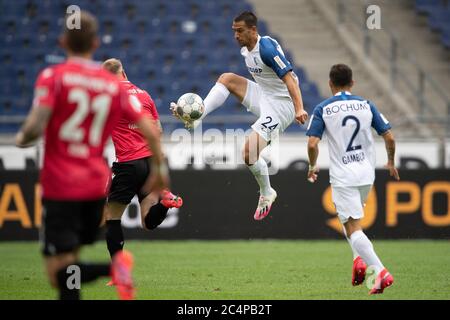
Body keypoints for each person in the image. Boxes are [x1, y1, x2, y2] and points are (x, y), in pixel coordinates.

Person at [15, 11, 169, 300]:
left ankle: (115, 268)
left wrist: (22, 137)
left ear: (62, 41)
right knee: (73, 257)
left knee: (59, 268)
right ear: (95, 43)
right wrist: (161, 169)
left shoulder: (53, 76)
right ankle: (114, 269)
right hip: (93, 183)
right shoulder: (112, 87)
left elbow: (35, 126)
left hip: (61, 183)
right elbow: (152, 129)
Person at [171, 11, 308, 220]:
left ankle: (267, 192)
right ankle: (197, 115)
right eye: (234, 31)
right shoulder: (246, 48)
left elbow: (290, 79)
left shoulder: (267, 49)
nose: (236, 36)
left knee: (248, 152)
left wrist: (299, 108)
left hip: (282, 106)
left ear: (253, 30)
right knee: (227, 79)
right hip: (265, 95)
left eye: (240, 31)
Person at [306, 64, 399, 294]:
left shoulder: (323, 109)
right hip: (367, 174)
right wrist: (391, 161)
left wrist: (312, 165)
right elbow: (389, 137)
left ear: (330, 84)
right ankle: (358, 261)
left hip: (344, 176)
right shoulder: (366, 105)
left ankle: (379, 271)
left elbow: (312, 143)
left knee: (353, 227)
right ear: (352, 83)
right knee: (350, 220)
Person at [101, 59, 182, 280]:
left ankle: (119, 273)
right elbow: (158, 130)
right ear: (124, 73)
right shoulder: (144, 95)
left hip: (128, 164)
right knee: (148, 222)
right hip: (149, 163)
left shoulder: (109, 97)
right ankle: (165, 203)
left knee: (111, 216)